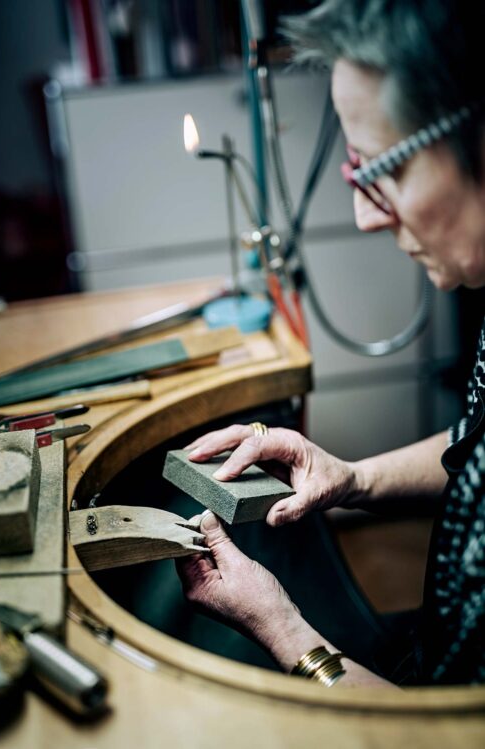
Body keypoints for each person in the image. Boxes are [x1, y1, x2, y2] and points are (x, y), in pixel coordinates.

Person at [176, 0, 485, 688]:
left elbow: (444, 739)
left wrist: (282, 629)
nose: (362, 214)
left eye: (382, 168)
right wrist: (352, 477)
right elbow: (479, 446)